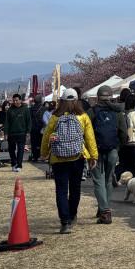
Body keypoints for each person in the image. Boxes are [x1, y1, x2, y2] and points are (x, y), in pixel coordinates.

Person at [41, 88, 99, 233]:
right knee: (75, 188)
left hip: (58, 158)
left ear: (62, 100)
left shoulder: (55, 116)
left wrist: (44, 153)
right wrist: (93, 156)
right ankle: (72, 215)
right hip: (77, 157)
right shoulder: (83, 116)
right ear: (77, 100)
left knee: (61, 190)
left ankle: (65, 221)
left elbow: (47, 136)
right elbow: (90, 138)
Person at [89, 85, 126, 224]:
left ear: (98, 97)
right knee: (108, 180)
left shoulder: (92, 112)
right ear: (111, 97)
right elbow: (123, 133)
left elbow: (87, 132)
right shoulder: (117, 112)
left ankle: (105, 211)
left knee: (98, 181)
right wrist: (117, 148)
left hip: (96, 151)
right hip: (112, 150)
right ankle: (103, 207)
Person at [118, 88, 135, 178]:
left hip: (128, 142)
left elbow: (129, 128)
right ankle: (132, 177)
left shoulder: (127, 114)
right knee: (133, 163)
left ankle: (125, 177)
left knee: (126, 162)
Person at [4, 93, 31, 172]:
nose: (15, 102)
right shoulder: (10, 110)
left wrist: (28, 132)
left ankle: (19, 165)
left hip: (22, 132)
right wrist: (6, 133)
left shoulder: (25, 109)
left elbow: (28, 121)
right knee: (11, 149)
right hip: (11, 133)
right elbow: (7, 122)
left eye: (17, 100)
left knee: (21, 149)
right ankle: (13, 163)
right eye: (14, 100)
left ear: (20, 100)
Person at [28, 94, 45, 164]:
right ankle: (42, 156)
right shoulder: (44, 109)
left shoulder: (30, 109)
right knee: (42, 142)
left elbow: (29, 119)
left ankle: (35, 156)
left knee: (34, 142)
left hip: (33, 128)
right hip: (42, 128)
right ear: (41, 100)